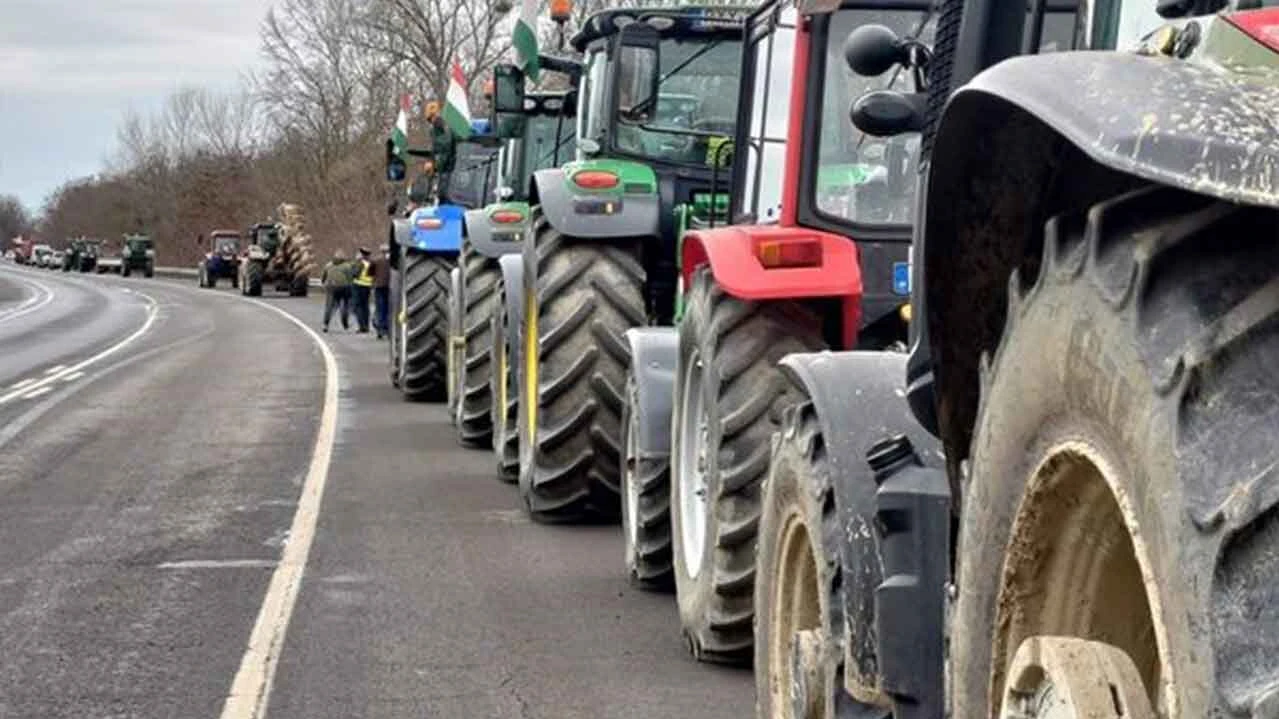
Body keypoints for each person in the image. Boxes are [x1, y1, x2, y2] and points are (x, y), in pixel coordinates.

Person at [321, 249, 352, 332]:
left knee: (329, 307)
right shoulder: (347, 266)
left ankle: (325, 324)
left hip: (331, 287)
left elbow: (323, 277)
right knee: (345, 306)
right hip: (344, 287)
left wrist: (324, 283)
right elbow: (350, 278)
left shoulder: (328, 265)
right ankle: (345, 324)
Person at [351, 246, 374, 333]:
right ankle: (366, 326)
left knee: (358, 307)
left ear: (363, 255)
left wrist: (356, 262)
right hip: (367, 286)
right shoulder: (371, 263)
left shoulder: (360, 263)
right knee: (365, 307)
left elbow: (354, 274)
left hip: (358, 285)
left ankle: (361, 326)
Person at [372, 244, 392, 339]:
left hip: (378, 286)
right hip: (390, 286)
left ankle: (380, 330)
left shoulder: (376, 260)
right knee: (388, 308)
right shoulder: (393, 261)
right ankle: (387, 329)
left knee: (380, 308)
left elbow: (369, 272)